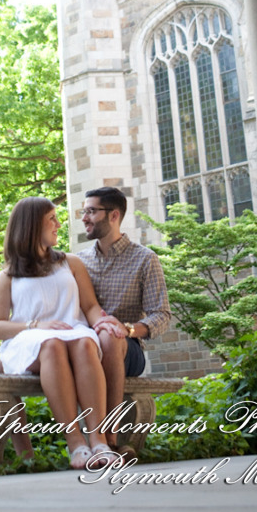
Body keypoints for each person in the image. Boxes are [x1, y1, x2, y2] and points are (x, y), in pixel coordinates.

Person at [0, 196, 113, 469]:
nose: (58, 224)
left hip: (74, 331)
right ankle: (76, 444)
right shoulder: (7, 276)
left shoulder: (71, 263)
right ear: (33, 226)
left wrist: (102, 322)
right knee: (52, 344)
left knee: (84, 344)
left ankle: (99, 441)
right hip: (30, 340)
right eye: (51, 219)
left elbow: (89, 306)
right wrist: (35, 326)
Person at [80, 186, 171, 457]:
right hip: (88, 346)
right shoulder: (79, 262)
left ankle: (110, 437)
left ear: (114, 215)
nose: (84, 217)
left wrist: (129, 329)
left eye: (91, 211)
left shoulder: (145, 259)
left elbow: (162, 315)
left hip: (128, 350)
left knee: (111, 336)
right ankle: (95, 443)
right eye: (83, 211)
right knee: (88, 344)